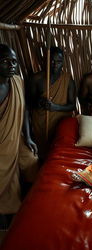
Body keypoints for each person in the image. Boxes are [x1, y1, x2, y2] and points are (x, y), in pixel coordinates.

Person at [0, 44, 38, 229]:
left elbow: (23, 110)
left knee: (32, 159)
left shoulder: (17, 81)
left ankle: (28, 202)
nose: (12, 65)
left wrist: (28, 137)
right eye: (6, 61)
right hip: (3, 142)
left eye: (14, 61)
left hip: (15, 137)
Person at [27, 46, 77, 161]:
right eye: (52, 61)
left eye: (58, 62)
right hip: (40, 124)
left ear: (63, 63)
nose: (55, 65)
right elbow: (28, 103)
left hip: (59, 124)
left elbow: (72, 105)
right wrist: (39, 102)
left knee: (57, 154)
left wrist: (55, 107)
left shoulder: (68, 80)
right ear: (46, 61)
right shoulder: (36, 79)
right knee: (41, 154)